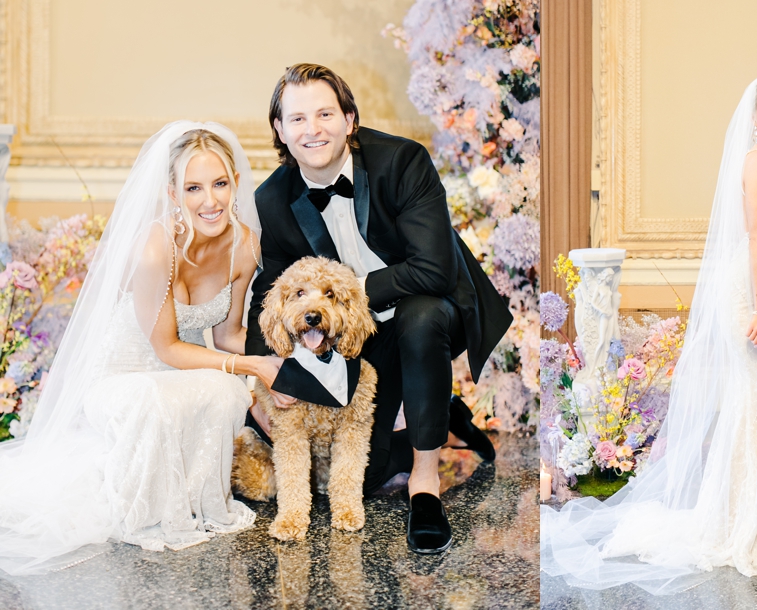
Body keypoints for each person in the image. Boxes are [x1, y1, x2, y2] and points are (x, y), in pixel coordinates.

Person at [540, 77, 757, 594]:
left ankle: (755, 508)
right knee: (751, 403)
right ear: (753, 118)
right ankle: (735, 523)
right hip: (747, 297)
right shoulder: (754, 163)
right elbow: (753, 238)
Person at [245, 63, 512, 554]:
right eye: (298, 119)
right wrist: (266, 377)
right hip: (349, 339)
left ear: (350, 119)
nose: (313, 128)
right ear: (280, 131)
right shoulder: (272, 199)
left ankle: (425, 484)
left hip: (421, 314)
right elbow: (275, 291)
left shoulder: (402, 161)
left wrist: (347, 291)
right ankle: (436, 406)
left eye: (326, 113)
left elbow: (432, 270)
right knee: (364, 478)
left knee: (422, 315)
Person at [0, 123, 284, 575]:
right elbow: (168, 348)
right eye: (193, 187)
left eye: (219, 184)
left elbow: (230, 333)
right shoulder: (155, 247)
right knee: (161, 398)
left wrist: (277, 368)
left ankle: (194, 501)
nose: (210, 201)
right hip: (121, 375)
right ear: (172, 192)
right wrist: (253, 367)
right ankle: (148, 509)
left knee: (226, 390)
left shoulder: (245, 245)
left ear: (234, 183)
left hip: (182, 372)